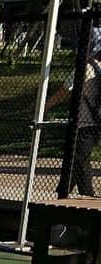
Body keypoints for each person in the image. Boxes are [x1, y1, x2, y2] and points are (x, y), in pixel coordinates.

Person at [45, 28, 100, 197]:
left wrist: (44, 107)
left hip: (81, 124)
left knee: (79, 161)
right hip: (95, 123)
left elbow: (64, 92)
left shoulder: (86, 68)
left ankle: (88, 198)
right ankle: (62, 198)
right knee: (74, 162)